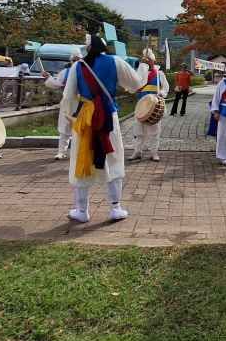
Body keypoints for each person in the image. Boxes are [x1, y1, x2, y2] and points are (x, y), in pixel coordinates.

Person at [60, 34, 146, 223]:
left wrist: (72, 118)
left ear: (88, 49)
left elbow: (68, 97)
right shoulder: (115, 61)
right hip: (108, 115)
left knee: (82, 159)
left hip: (85, 118)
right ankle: (116, 208)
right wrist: (145, 65)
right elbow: (137, 84)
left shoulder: (77, 66)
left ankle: (82, 211)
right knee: (113, 157)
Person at [130, 48, 170, 162]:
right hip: (141, 106)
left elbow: (165, 87)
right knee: (138, 131)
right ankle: (137, 152)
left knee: (155, 131)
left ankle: (154, 153)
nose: (147, 62)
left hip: (154, 105)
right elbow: (135, 86)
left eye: (149, 61)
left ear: (153, 61)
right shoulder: (140, 74)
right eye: (145, 61)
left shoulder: (159, 73)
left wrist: (161, 94)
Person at [44, 51, 82, 160]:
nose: (75, 62)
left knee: (80, 128)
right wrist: (48, 78)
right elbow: (56, 84)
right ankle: (62, 152)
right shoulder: (65, 72)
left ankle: (78, 151)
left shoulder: (85, 72)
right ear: (71, 61)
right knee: (64, 127)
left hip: (81, 103)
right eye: (74, 60)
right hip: (67, 103)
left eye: (77, 60)